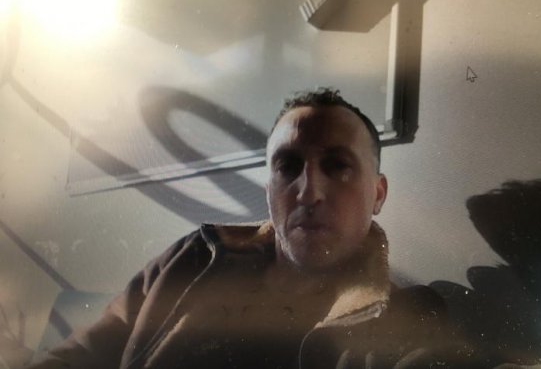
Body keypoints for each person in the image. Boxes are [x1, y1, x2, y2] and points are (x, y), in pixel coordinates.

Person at [29, 88, 449, 369]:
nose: (309, 192)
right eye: (288, 166)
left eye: (338, 165)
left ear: (378, 194)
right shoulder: (193, 256)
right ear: (269, 191)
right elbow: (82, 353)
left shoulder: (402, 322)